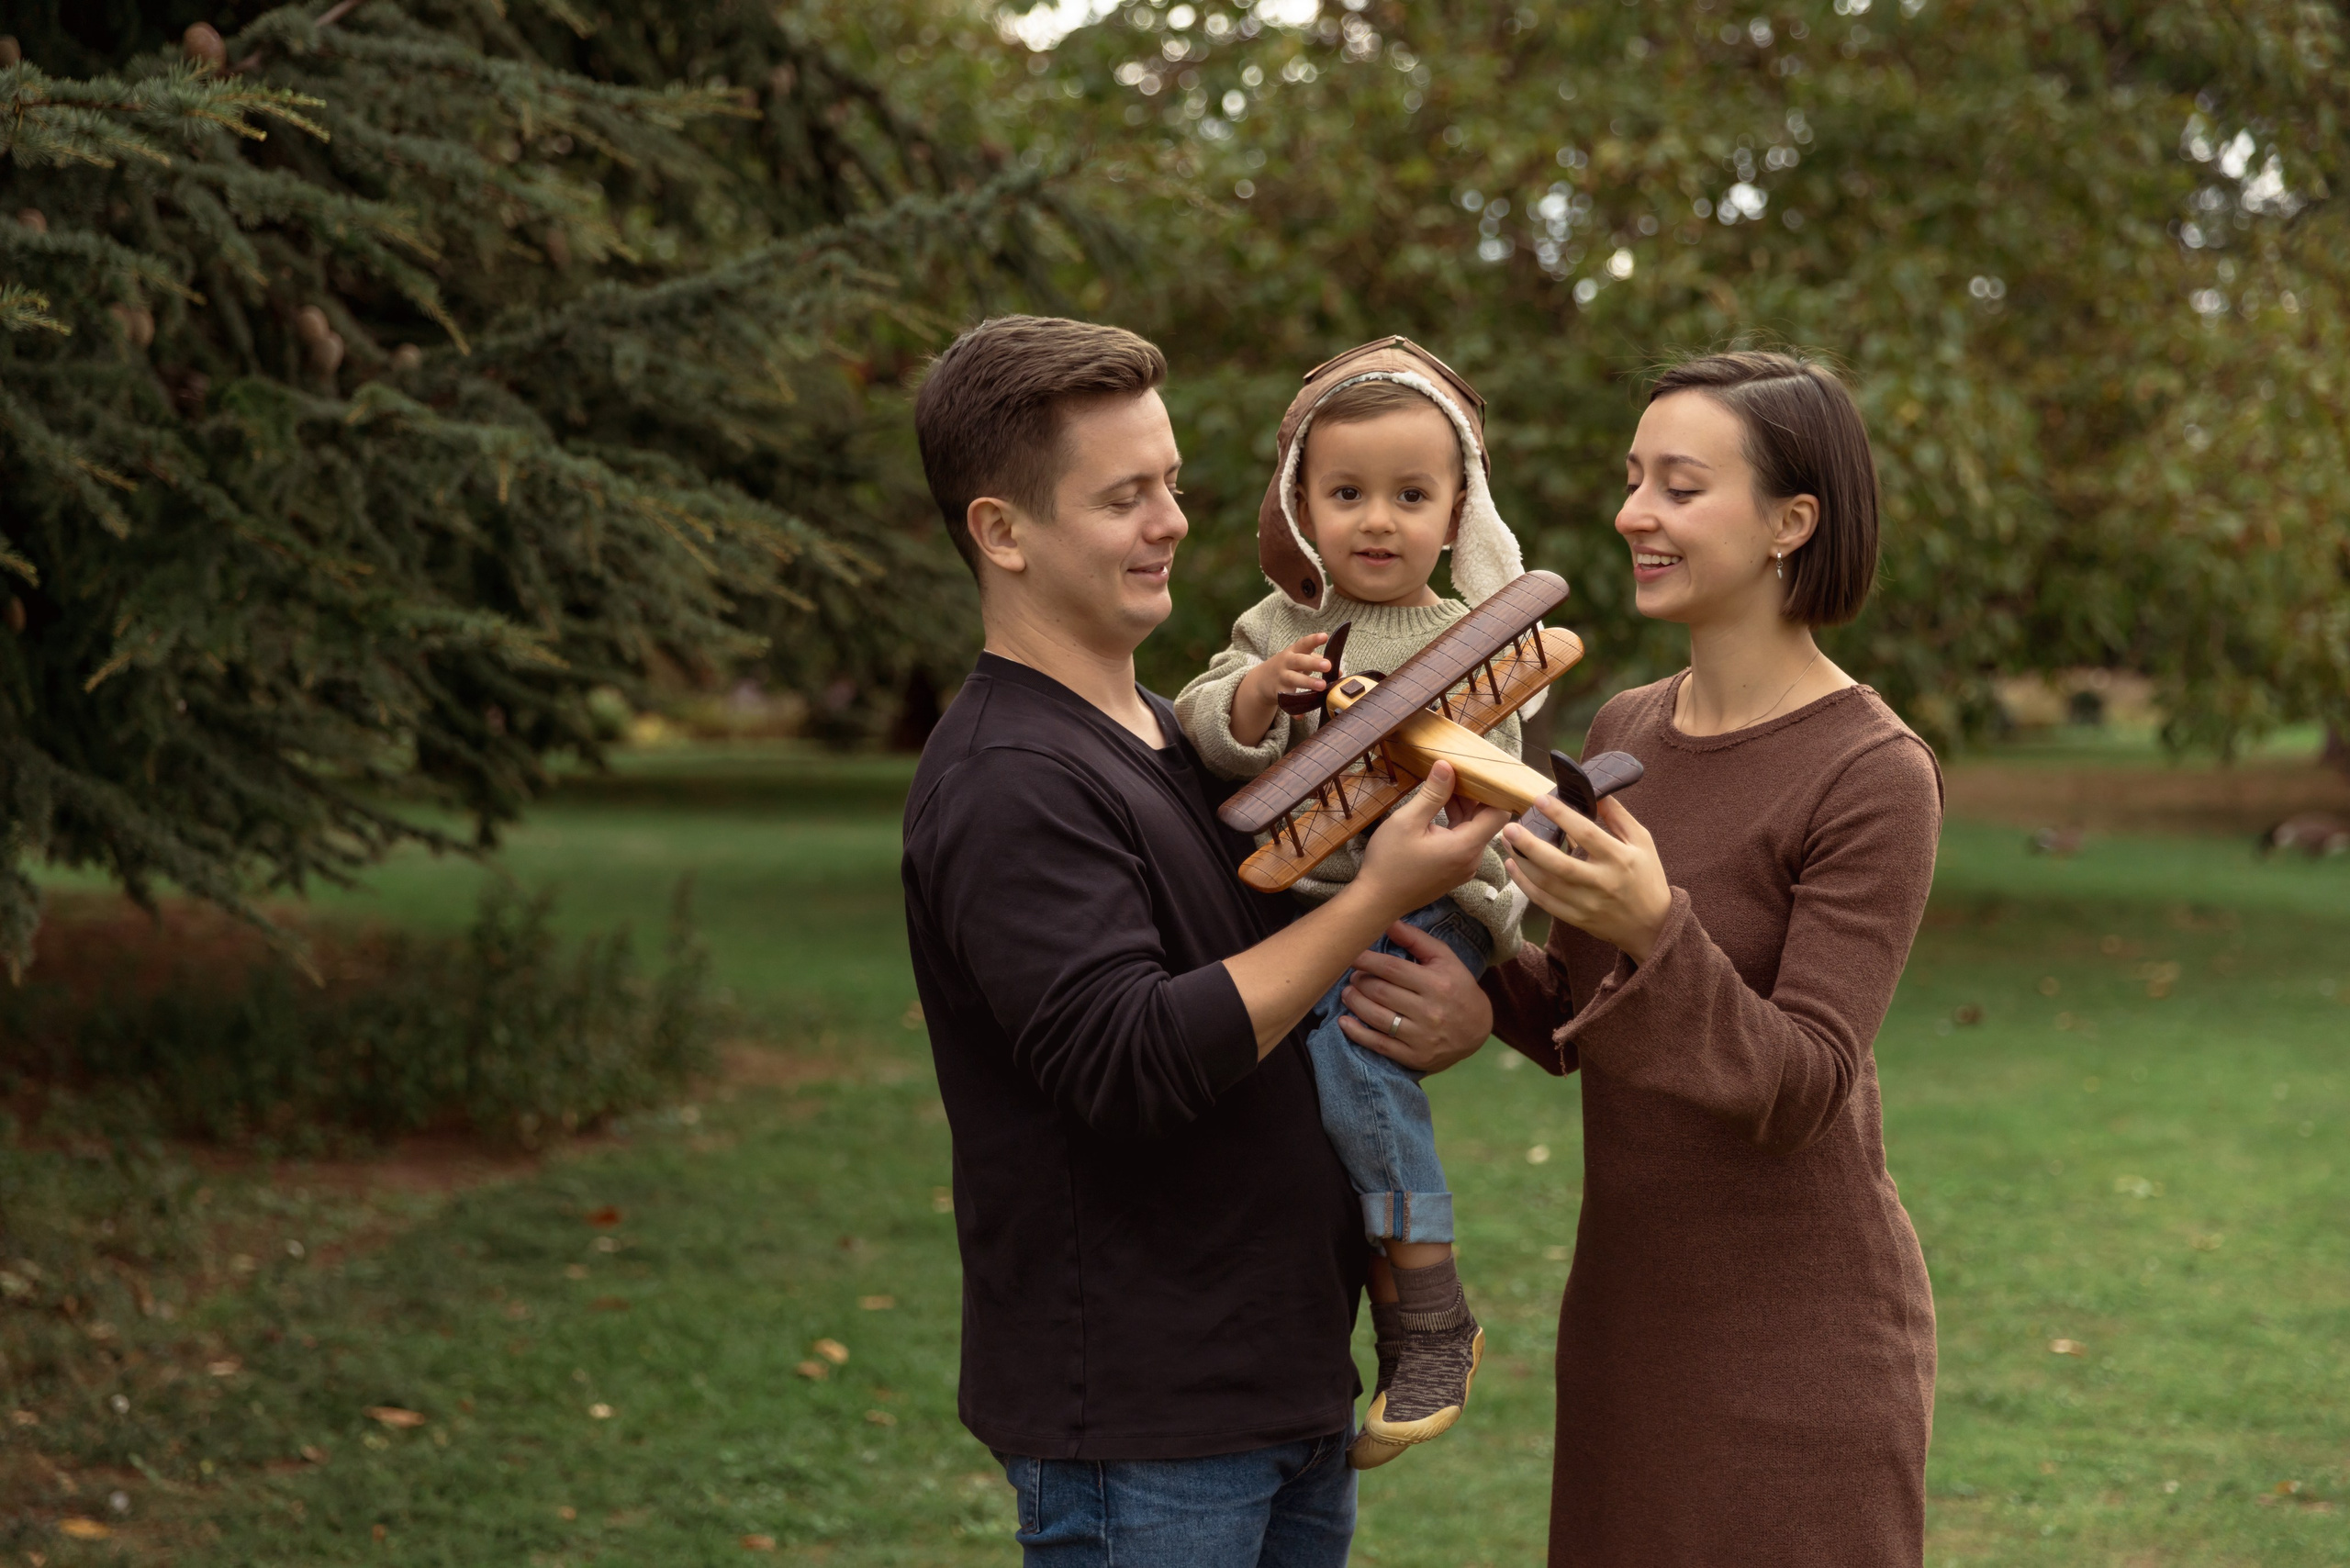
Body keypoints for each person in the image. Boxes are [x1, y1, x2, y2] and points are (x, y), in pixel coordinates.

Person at [900, 316, 1505, 1567]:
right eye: (1123, 497)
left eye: (1171, 482)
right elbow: (1129, 1058)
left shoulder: (1173, 733)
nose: (1172, 521)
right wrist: (1368, 903)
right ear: (1002, 532)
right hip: (1145, 1430)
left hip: (1280, 1389)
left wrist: (1450, 996)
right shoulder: (1011, 777)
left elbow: (1275, 980)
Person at [1360, 350, 1943, 1566]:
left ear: (1791, 522)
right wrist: (1483, 991)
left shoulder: (1872, 772)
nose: (1634, 514)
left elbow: (1802, 1087)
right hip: (1629, 1321)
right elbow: (1594, 1007)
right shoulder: (1629, 722)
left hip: (1799, 1345)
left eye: (1680, 486)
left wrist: (1651, 926)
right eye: (1634, 480)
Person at [1171, 337, 1536, 1470]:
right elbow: (1200, 728)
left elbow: (1500, 785)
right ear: (1302, 505)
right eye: (1346, 494)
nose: (1377, 521)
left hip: (1435, 901)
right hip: (1306, 906)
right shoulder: (1277, 628)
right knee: (1300, 1092)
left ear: (1457, 512)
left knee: (1353, 1056)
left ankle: (1431, 1312)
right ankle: (1362, 1310)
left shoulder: (1477, 636)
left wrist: (1419, 764)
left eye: (1410, 496)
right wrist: (1255, 697)